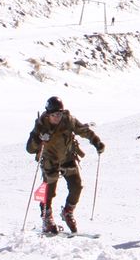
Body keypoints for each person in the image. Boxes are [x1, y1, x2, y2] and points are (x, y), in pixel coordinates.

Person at [25, 96, 104, 235]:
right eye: (54, 114)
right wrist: (38, 139)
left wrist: (96, 142)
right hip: (50, 160)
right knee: (49, 189)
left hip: (67, 157)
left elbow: (83, 130)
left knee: (76, 186)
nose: (57, 117)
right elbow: (29, 148)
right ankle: (46, 215)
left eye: (59, 114)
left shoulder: (68, 120)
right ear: (48, 114)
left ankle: (68, 211)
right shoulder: (41, 125)